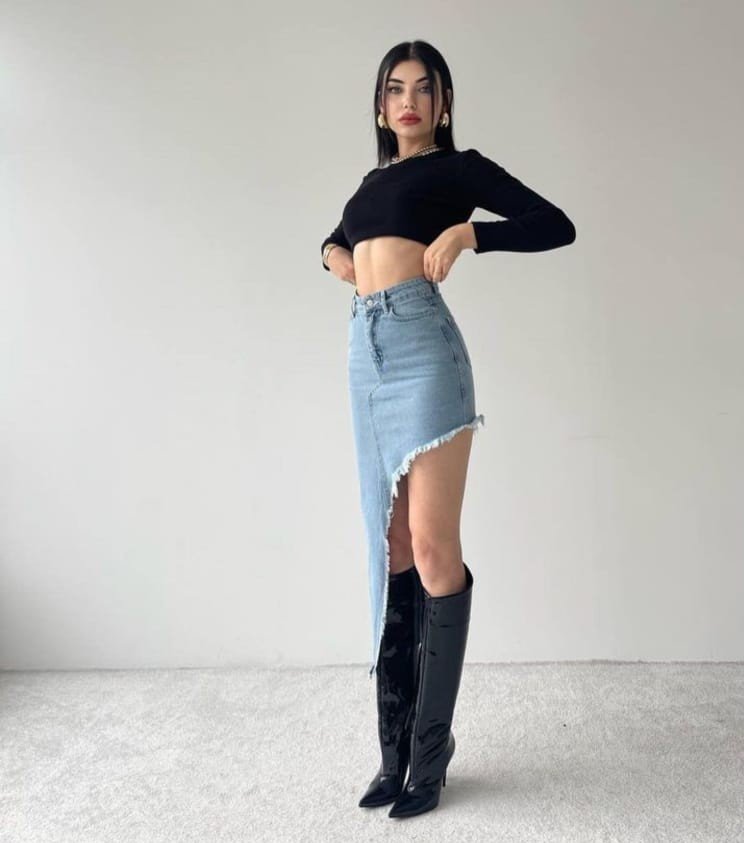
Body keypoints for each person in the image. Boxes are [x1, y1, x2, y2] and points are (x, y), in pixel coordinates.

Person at [320, 40, 576, 819]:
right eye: (395, 89)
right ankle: (393, 750)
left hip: (424, 353)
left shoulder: (459, 170)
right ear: (379, 106)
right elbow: (338, 238)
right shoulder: (372, 184)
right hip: (365, 357)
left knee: (433, 547)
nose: (409, 101)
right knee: (391, 548)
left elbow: (554, 223)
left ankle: (430, 753)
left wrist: (471, 235)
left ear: (444, 102)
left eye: (423, 89)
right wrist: (335, 256)